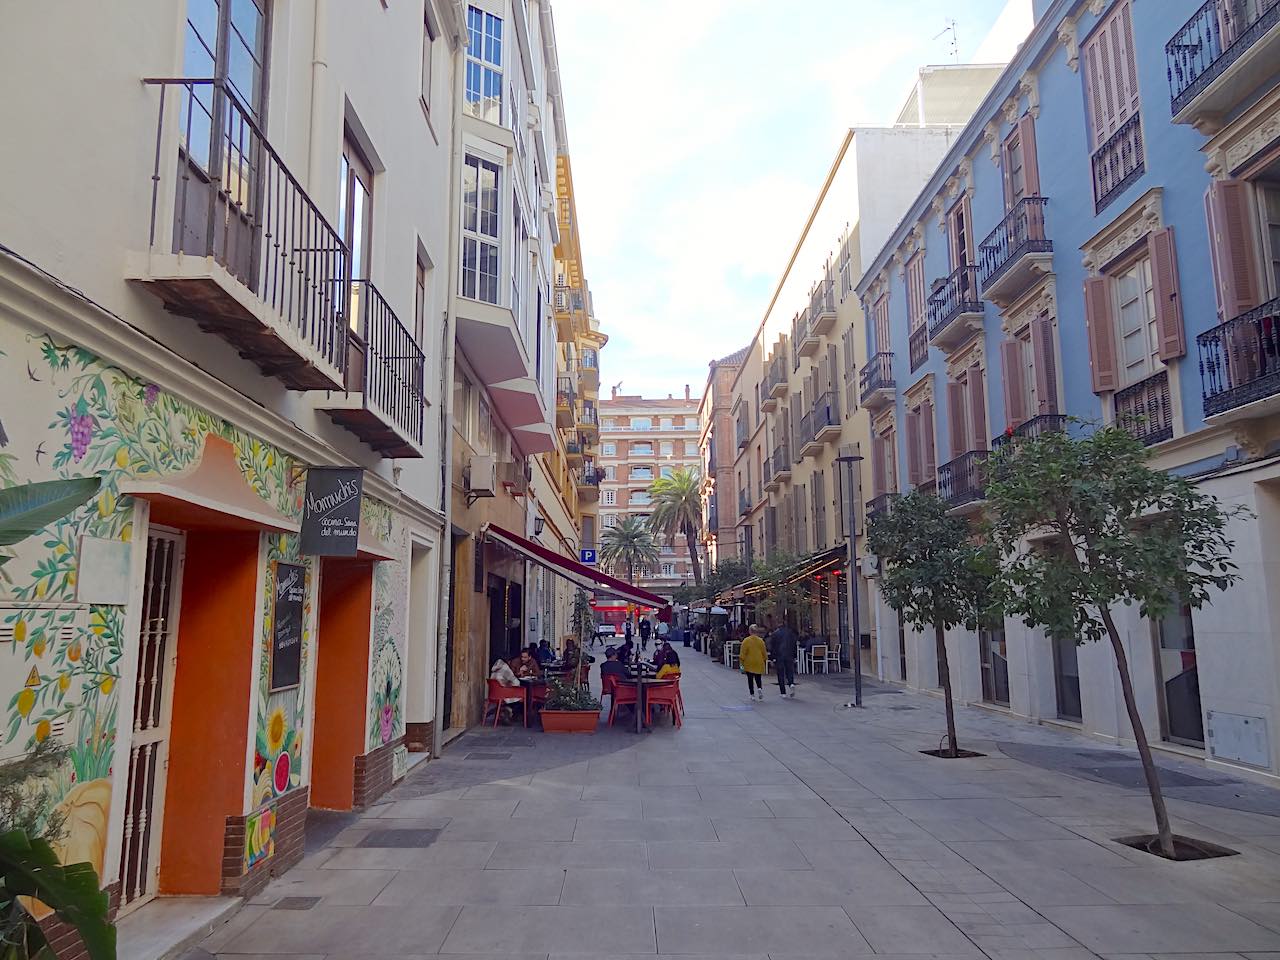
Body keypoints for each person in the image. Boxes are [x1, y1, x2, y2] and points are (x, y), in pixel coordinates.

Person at [769, 620, 799, 698]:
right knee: (790, 671)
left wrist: (772, 658)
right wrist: (795, 656)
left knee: (781, 674)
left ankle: (783, 693)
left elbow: (773, 647)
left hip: (779, 656)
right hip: (789, 655)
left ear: (778, 625)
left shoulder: (775, 634)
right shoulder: (790, 633)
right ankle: (791, 683)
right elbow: (794, 644)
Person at [489, 658, 524, 723]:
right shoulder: (505, 667)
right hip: (503, 695)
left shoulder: (495, 668)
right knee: (522, 696)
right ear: (508, 661)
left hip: (494, 694)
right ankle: (509, 711)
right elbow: (516, 682)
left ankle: (506, 710)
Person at [739, 624, 768, 701]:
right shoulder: (761, 641)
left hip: (749, 662)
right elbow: (764, 652)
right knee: (758, 677)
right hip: (759, 661)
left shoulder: (746, 641)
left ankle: (752, 694)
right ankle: (759, 689)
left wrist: (741, 665)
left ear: (750, 631)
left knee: (750, 679)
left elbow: (742, 654)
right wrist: (765, 659)